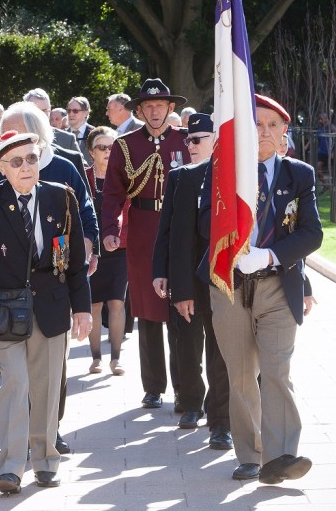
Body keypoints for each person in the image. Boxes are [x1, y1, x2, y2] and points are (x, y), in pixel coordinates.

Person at [0, 130, 92, 495]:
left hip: (53, 306)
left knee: (45, 389)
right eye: (16, 162)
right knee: (16, 384)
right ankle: (11, 466)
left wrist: (84, 309)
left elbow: (73, 260)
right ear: (1, 167)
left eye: (32, 158)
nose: (26, 167)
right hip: (6, 309)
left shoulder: (61, 197)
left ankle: (45, 460)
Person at [200, 94, 322, 485]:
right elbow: (205, 223)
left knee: (275, 371)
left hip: (275, 285)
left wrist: (270, 256)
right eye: (256, 124)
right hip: (230, 285)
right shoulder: (221, 172)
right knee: (240, 375)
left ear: (284, 132)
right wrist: (235, 246)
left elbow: (310, 234)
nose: (264, 132)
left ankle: (282, 455)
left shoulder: (298, 174)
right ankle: (250, 454)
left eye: (272, 125)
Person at [0, 101, 98, 454]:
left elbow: (87, 209)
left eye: (17, 132)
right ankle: (17, 442)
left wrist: (86, 245)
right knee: (15, 372)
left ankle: (49, 430)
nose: (9, 139)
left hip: (54, 282)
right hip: (10, 290)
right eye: (4, 133)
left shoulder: (64, 165)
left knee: (51, 371)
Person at [101, 78, 187, 411]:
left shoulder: (184, 141)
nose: (154, 111)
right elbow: (112, 193)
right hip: (142, 230)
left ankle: (184, 386)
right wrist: (110, 228)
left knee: (182, 308)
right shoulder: (126, 145)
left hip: (179, 230)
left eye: (160, 106)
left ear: (171, 108)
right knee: (148, 311)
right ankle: (153, 387)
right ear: (140, 110)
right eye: (148, 106)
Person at [152, 113, 231, 449]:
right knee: (187, 342)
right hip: (187, 276)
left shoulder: (233, 177)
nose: (191, 145)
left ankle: (221, 421)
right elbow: (167, 231)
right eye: (188, 139)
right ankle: (191, 401)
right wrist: (162, 272)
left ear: (217, 140)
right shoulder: (180, 177)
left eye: (199, 139)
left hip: (220, 276)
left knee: (220, 350)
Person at [85, 126, 126, 376]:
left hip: (119, 246)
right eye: (102, 147)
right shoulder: (83, 177)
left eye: (112, 147)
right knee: (94, 305)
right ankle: (96, 357)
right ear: (92, 152)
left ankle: (116, 358)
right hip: (92, 248)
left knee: (117, 302)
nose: (108, 152)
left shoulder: (123, 176)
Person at [24, 89, 79, 153]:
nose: (40, 114)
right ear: (25, 110)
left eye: (44, 110)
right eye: (36, 110)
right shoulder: (16, 137)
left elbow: (79, 162)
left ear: (50, 110)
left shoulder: (68, 139)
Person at [66, 96, 95, 165]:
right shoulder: (62, 135)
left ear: (86, 113)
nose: (71, 114)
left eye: (75, 111)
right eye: (69, 111)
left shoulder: (96, 134)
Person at [315, 112, 336, 191]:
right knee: (317, 168)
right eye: (319, 119)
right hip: (321, 151)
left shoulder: (330, 127)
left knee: (332, 170)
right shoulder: (319, 128)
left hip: (329, 151)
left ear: (326, 119)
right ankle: (325, 184)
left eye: (321, 119)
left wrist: (333, 151)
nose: (320, 121)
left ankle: (333, 187)